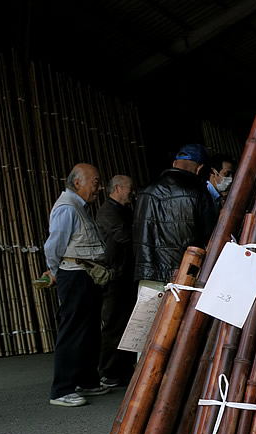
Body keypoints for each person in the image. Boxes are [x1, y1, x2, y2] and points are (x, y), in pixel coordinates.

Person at [42, 163, 110, 407]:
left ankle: (88, 380)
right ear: (78, 182)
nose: (100, 188)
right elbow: (53, 246)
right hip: (74, 275)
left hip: (87, 275)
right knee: (72, 331)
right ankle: (61, 390)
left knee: (90, 330)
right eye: (96, 182)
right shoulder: (67, 208)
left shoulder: (79, 207)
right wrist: (55, 271)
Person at [133, 143, 216, 290]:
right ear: (200, 168)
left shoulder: (145, 191)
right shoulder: (198, 192)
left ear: (174, 164)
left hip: (148, 275)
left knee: (151, 313)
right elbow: (211, 236)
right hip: (183, 275)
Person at [96, 174, 137, 388]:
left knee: (128, 323)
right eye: (130, 188)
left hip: (126, 274)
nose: (133, 192)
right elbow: (123, 236)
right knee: (113, 323)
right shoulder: (107, 211)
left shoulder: (124, 210)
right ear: (118, 188)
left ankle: (123, 369)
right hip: (114, 275)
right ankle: (108, 371)